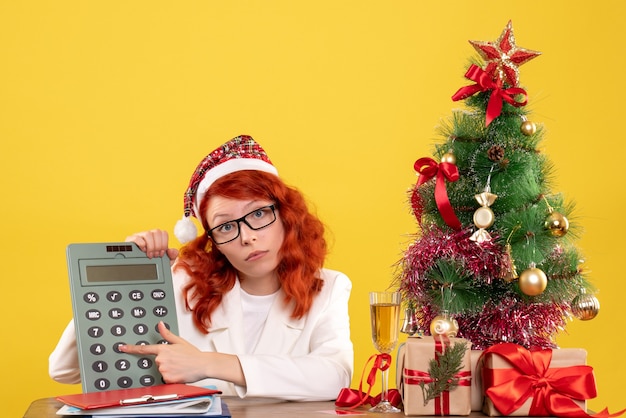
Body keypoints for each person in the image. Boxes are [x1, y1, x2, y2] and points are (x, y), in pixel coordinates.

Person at [49, 135, 354, 401]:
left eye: (259, 213)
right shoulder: (181, 283)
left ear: (286, 215)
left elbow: (336, 376)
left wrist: (208, 364)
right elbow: (64, 370)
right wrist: (124, 278)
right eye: (225, 227)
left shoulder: (330, 288)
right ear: (213, 242)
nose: (248, 237)